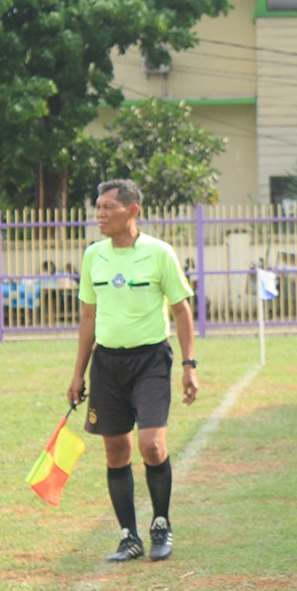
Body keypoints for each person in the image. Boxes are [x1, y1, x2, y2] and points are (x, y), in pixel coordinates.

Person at [67, 179, 198, 563]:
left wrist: (190, 365)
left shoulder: (159, 253)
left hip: (151, 361)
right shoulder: (94, 256)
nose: (100, 214)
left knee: (151, 446)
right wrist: (78, 373)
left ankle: (161, 524)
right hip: (106, 364)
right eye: (98, 206)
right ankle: (129, 536)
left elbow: (181, 309)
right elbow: (88, 315)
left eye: (108, 207)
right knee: (115, 450)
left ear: (132, 211)